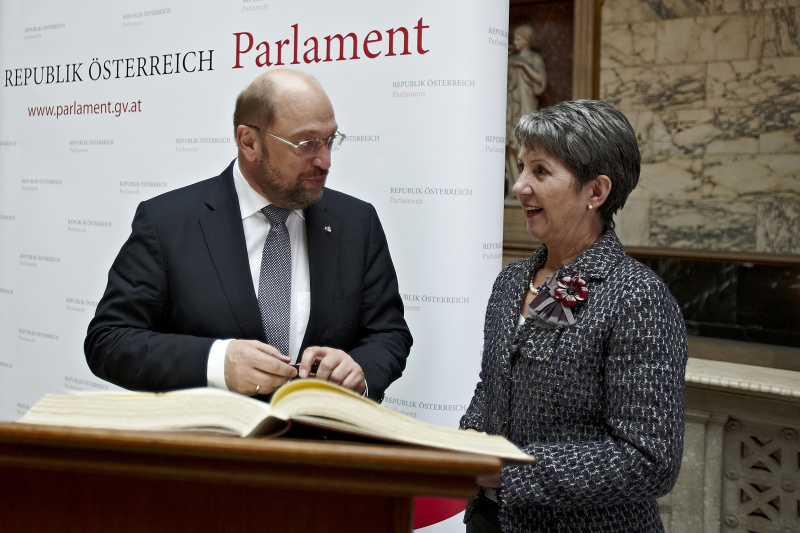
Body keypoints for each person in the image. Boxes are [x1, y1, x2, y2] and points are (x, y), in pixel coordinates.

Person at [85, 69, 412, 402]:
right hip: (216, 444)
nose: (325, 160)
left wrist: (358, 370)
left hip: (324, 447)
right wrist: (218, 363)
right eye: (306, 144)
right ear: (249, 142)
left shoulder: (357, 222)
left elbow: (389, 334)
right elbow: (109, 341)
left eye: (329, 140)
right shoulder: (167, 223)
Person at [461, 100, 688, 532]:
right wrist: (470, 434)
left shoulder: (636, 297)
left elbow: (649, 458)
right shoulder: (512, 282)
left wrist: (510, 471)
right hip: (491, 520)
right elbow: (496, 385)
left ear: (596, 192)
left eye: (540, 172)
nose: (519, 186)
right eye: (522, 168)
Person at [505, 23, 546, 199]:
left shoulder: (534, 58)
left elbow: (540, 80)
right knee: (511, 144)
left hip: (526, 104)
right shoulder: (510, 59)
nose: (516, 41)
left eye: (520, 38)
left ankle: (527, 184)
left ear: (527, 40)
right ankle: (514, 185)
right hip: (511, 105)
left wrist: (523, 66)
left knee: (525, 142)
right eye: (515, 38)